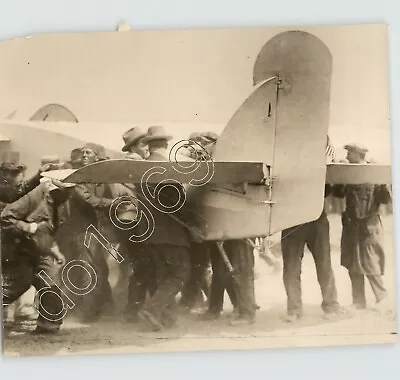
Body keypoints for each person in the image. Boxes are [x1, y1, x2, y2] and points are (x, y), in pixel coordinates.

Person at [1, 172, 75, 333]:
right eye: (67, 189)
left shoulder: (63, 202)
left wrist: (55, 250)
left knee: (51, 282)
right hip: (20, 249)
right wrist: (28, 228)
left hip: (41, 249)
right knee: (17, 285)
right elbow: (6, 218)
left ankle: (48, 326)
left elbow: (49, 231)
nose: (70, 193)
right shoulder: (35, 196)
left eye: (72, 189)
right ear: (55, 188)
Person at [137, 126, 191, 331]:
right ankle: (152, 309)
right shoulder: (168, 168)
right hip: (171, 231)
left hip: (151, 233)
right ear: (166, 145)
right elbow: (179, 203)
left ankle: (167, 318)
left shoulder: (142, 169)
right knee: (180, 272)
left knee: (163, 275)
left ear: (149, 145)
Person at [280, 137, 341, 322]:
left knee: (324, 265)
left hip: (316, 220)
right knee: (291, 268)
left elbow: (328, 191)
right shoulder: (284, 161)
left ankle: (331, 306)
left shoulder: (320, 163)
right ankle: (294, 310)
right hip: (293, 221)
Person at [332, 143, 392, 312]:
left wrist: (382, 183)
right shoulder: (349, 173)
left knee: (370, 261)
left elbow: (386, 200)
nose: (347, 156)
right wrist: (340, 177)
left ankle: (382, 298)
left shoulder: (373, 173)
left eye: (349, 153)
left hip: (368, 226)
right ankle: (358, 301)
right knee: (352, 263)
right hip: (352, 226)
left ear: (358, 154)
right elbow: (337, 194)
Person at [0, 160, 53, 324]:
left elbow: (22, 190)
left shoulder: (9, 191)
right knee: (17, 283)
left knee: (38, 278)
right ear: (4, 183)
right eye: (17, 186)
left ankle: (47, 321)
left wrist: (38, 175)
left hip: (13, 245)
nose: (20, 190)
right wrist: (28, 227)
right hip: (6, 246)